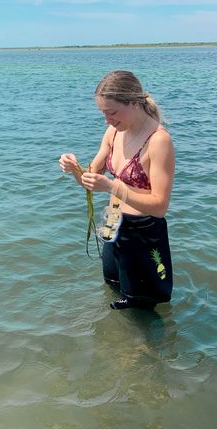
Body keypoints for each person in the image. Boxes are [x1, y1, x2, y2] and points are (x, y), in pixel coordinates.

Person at [59, 70, 175, 310]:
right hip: (112, 220)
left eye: (111, 112)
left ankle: (146, 347)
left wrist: (114, 187)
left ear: (134, 103)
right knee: (112, 284)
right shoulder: (113, 132)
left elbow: (160, 206)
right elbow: (90, 179)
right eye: (103, 113)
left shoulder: (158, 141)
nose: (106, 120)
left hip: (142, 231)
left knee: (140, 303)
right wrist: (74, 168)